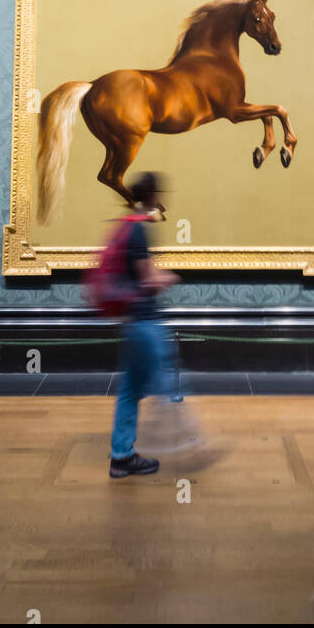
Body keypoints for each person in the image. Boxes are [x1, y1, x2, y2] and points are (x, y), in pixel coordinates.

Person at [109, 172, 181, 479]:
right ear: (152, 196)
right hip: (144, 319)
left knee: (130, 390)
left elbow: (140, 273)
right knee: (167, 382)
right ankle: (191, 441)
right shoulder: (138, 231)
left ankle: (121, 456)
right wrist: (171, 277)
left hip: (133, 318)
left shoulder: (128, 227)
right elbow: (148, 280)